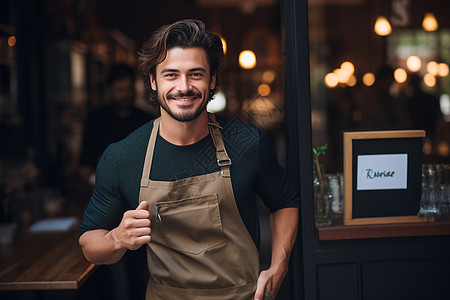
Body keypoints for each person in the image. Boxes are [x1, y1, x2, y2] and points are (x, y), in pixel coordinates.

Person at [79, 19, 299, 300]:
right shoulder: (123, 156)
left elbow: (284, 202)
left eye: (196, 74)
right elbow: (89, 243)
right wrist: (116, 238)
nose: (184, 87)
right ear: (153, 81)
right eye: (171, 75)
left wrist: (279, 266)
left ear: (213, 80)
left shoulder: (247, 143)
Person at [79, 63, 153, 184]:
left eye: (128, 89)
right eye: (119, 90)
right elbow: (85, 164)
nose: (125, 95)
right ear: (109, 90)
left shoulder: (146, 120)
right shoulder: (96, 119)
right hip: (103, 186)